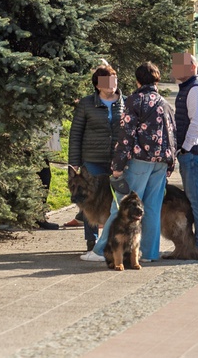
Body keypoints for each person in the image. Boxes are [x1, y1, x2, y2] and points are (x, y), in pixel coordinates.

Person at [81, 62, 176, 263]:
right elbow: (173, 134)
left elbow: (126, 136)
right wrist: (170, 164)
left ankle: (101, 250)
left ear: (137, 80)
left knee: (121, 206)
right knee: (151, 208)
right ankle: (149, 253)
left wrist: (117, 167)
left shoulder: (134, 101)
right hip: (161, 162)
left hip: (140, 160)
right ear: (157, 80)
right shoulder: (164, 103)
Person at [70, 63, 124, 253]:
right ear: (98, 85)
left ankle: (112, 238)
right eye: (108, 82)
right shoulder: (86, 103)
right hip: (92, 159)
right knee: (89, 199)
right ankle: (91, 240)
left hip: (116, 160)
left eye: (115, 80)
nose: (113, 84)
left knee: (113, 200)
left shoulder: (124, 102)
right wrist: (74, 160)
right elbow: (76, 133)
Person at [172, 52, 198, 259]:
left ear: (192, 68)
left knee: (196, 200)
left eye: (178, 66)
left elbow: (197, 123)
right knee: (194, 199)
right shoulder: (189, 88)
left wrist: (186, 148)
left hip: (195, 154)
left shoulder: (195, 90)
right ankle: (195, 244)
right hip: (195, 152)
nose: (173, 69)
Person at [36, 125, 62, 230]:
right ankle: (37, 217)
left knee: (44, 175)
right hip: (35, 133)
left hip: (40, 133)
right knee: (43, 176)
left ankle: (38, 215)